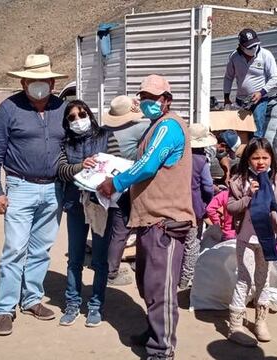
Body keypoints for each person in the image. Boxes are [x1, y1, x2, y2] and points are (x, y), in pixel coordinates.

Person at [97, 74, 195, 360]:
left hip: (165, 221)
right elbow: (142, 161)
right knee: (149, 283)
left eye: (155, 98)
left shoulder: (168, 127)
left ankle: (162, 349)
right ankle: (155, 333)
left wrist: (114, 183)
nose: (149, 102)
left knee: (161, 288)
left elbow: (148, 165)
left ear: (167, 100)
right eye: (145, 97)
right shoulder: (155, 127)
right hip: (150, 219)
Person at [0, 54, 67, 336]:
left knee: (41, 249)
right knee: (15, 248)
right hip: (20, 187)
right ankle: (4, 308)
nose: (38, 85)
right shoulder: (9, 108)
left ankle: (31, 299)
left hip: (54, 188)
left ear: (53, 82)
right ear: (23, 81)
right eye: (33, 81)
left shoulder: (62, 108)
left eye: (43, 80)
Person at [57, 99, 119, 328]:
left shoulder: (105, 135)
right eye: (72, 117)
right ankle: (72, 303)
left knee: (100, 259)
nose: (77, 120)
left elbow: (117, 164)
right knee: (75, 257)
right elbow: (61, 170)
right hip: (74, 204)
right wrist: (80, 166)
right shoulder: (65, 143)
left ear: (89, 115)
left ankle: (96, 304)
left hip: (100, 204)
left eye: (81, 114)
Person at [226, 137, 277, 346]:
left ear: (271, 158)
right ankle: (235, 324)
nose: (260, 162)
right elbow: (231, 207)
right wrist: (247, 197)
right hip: (245, 238)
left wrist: (272, 195)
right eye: (255, 158)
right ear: (248, 159)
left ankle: (260, 321)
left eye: (265, 157)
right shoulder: (239, 180)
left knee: (263, 280)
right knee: (244, 279)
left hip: (267, 240)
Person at [101, 95, 150, 286]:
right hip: (127, 183)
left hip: (106, 183)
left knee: (110, 228)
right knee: (122, 230)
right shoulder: (139, 128)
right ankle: (111, 273)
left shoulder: (104, 129)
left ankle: (104, 265)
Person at [223, 28, 277, 138]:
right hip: (241, 100)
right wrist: (226, 97)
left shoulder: (266, 55)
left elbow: (275, 77)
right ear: (242, 46)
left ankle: (256, 150)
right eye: (250, 47)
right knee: (240, 129)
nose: (253, 48)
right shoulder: (234, 57)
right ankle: (241, 152)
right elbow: (228, 77)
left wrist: (261, 92)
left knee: (257, 128)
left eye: (255, 45)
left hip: (259, 100)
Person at [180, 123, 215, 290]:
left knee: (178, 241)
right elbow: (207, 186)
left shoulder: (178, 156)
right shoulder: (201, 161)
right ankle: (186, 279)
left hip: (174, 204)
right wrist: (209, 201)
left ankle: (175, 273)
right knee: (192, 243)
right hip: (194, 207)